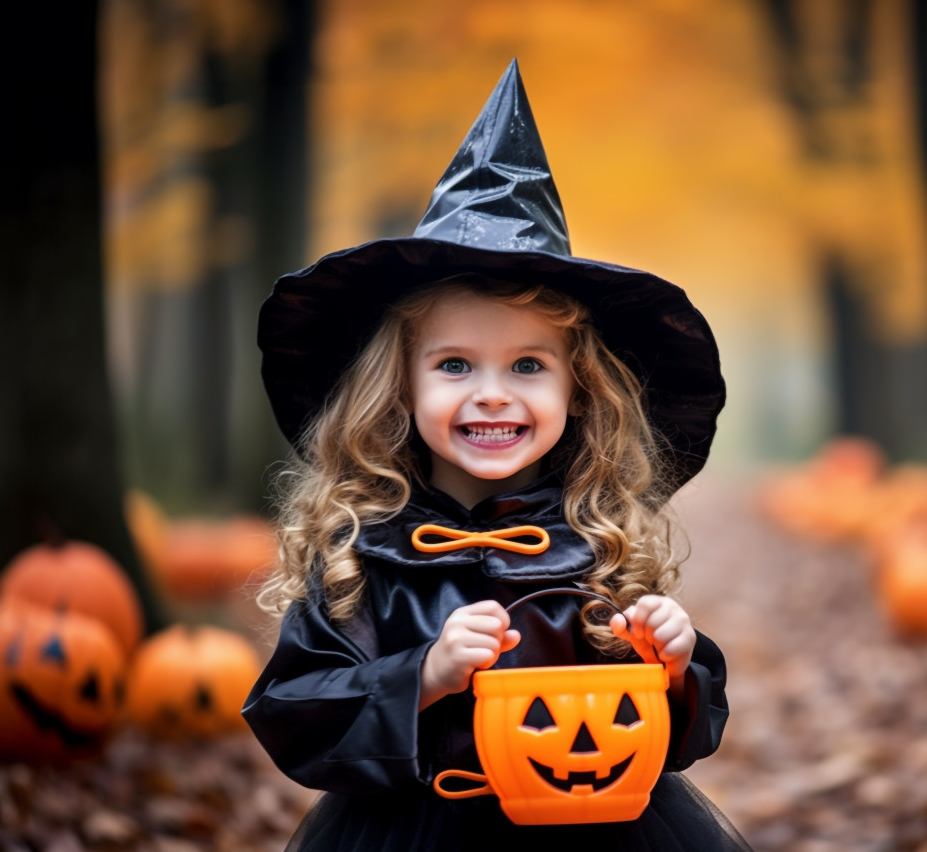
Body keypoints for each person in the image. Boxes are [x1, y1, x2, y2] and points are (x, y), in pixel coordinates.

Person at [243, 60, 749, 851]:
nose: (492, 394)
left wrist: (676, 666)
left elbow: (671, 736)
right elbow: (293, 713)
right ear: (399, 388)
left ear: (579, 389)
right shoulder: (360, 550)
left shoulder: (596, 540)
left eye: (527, 365)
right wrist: (423, 674)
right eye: (454, 365)